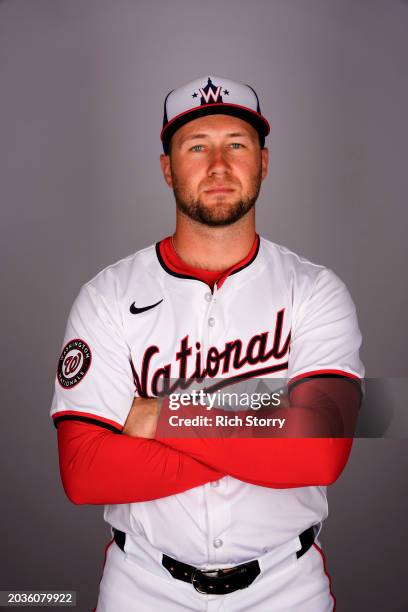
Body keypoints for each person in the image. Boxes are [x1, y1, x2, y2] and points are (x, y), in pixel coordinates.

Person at [50, 75, 364, 611]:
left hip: (284, 588)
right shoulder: (105, 296)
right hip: (142, 586)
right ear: (168, 168)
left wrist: (160, 417)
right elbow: (84, 472)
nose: (218, 166)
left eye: (236, 145)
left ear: (263, 162)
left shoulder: (317, 290)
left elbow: (321, 452)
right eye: (197, 147)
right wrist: (271, 424)